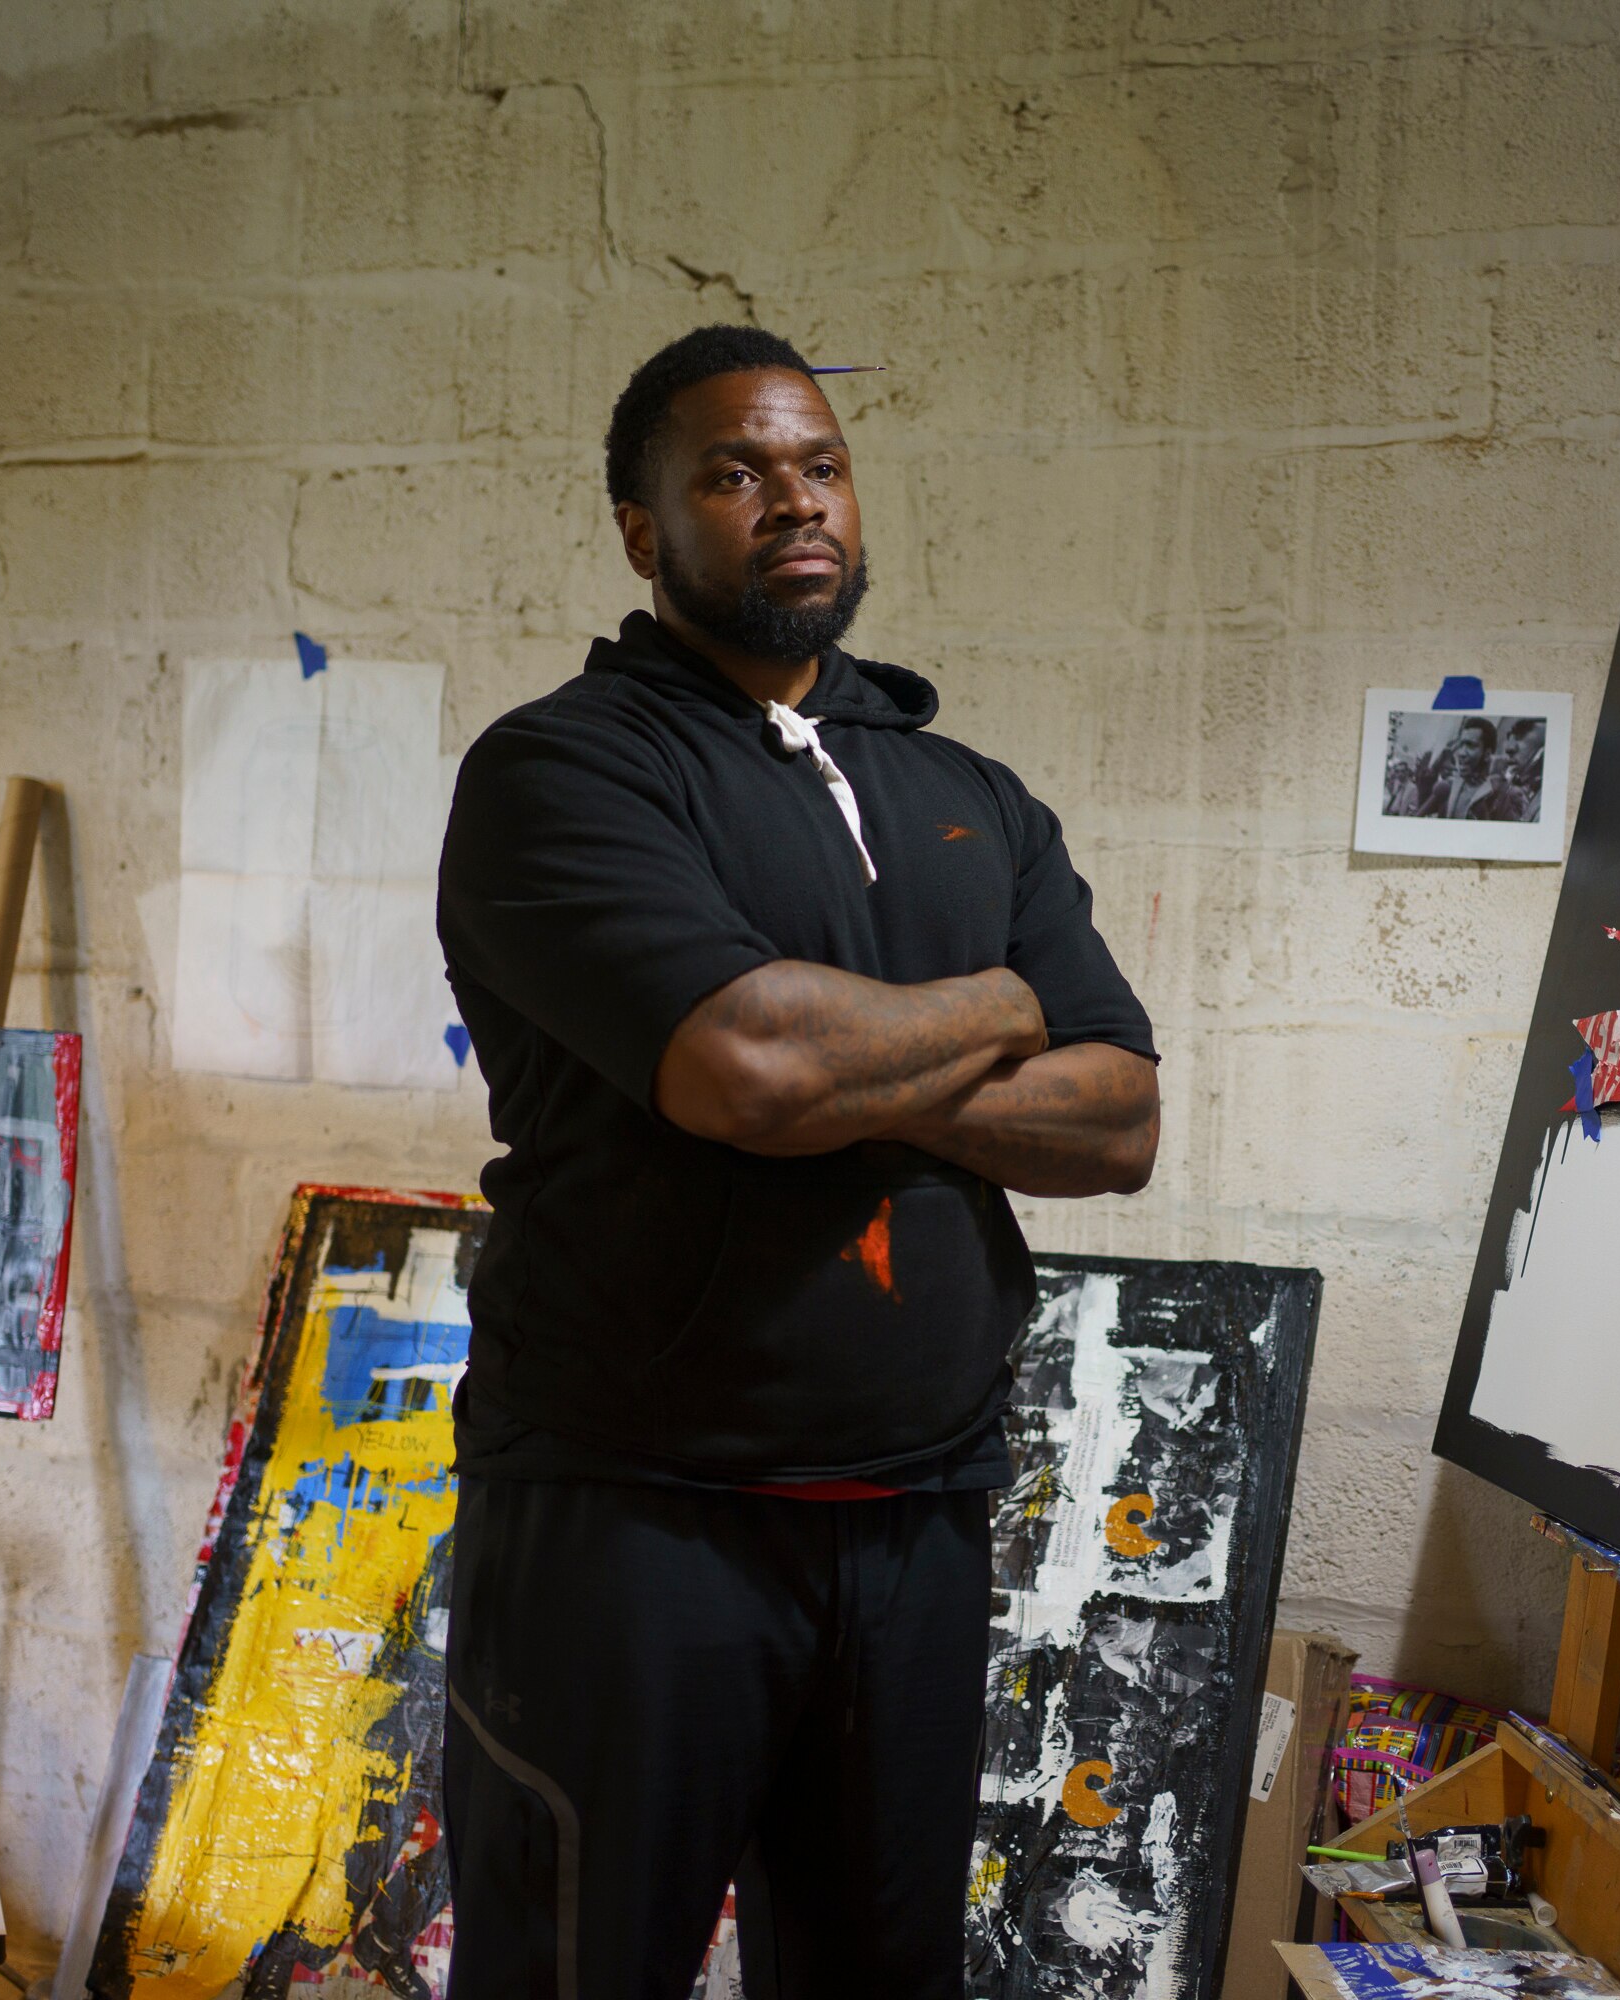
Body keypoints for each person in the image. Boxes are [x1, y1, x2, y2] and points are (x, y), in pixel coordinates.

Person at [434, 324, 1161, 1996]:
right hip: (635, 1518)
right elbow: (752, 1068)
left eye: (819, 464)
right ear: (644, 529)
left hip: (915, 1520)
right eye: (735, 471)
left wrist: (852, 1066)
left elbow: (1115, 1119)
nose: (792, 499)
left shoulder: (971, 792)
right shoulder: (565, 769)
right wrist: (998, 1003)